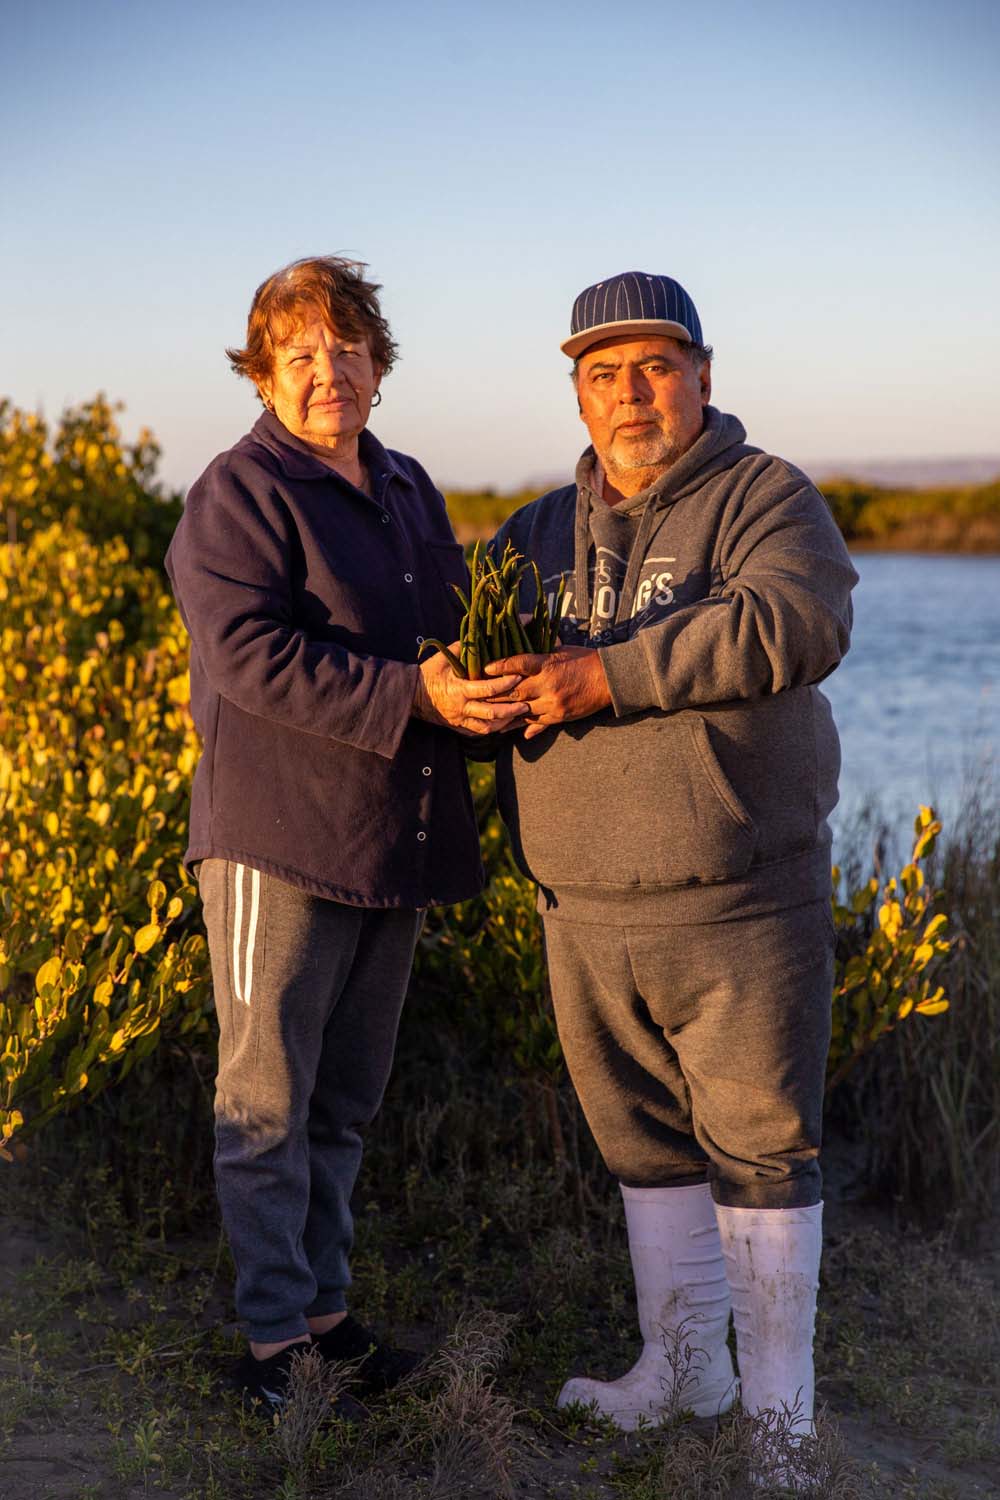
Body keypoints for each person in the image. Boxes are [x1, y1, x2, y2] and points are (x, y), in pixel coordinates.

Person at [483, 272, 858, 1468]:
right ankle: (684, 1372)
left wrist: (607, 674)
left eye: (653, 367)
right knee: (640, 1145)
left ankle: (780, 1421)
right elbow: (469, 654)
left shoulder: (767, 498)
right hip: (582, 905)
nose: (629, 394)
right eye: (602, 374)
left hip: (741, 898)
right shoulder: (533, 534)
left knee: (761, 1147)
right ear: (577, 393)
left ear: (703, 372)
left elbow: (795, 624)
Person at [165, 256, 526, 1411]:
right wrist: (417, 697)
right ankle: (274, 1344)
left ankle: (327, 1316)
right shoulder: (239, 490)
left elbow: (438, 638)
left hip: (389, 840)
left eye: (348, 348)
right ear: (263, 371)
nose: (330, 371)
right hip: (275, 838)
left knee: (343, 1104)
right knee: (264, 1102)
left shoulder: (408, 485)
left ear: (379, 362)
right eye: (302, 353)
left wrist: (482, 688)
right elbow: (247, 658)